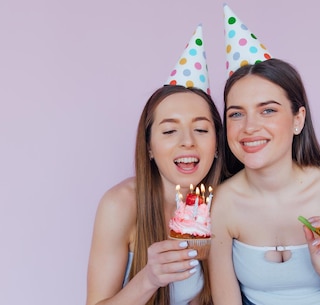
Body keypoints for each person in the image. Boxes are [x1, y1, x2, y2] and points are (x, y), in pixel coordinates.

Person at [208, 58, 320, 305]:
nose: (249, 127)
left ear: (298, 119)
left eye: (268, 110)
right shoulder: (221, 203)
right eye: (236, 114)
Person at [86, 25, 224, 305]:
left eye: (201, 129)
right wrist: (149, 278)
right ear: (149, 146)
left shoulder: (231, 201)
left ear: (218, 143)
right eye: (169, 131)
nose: (187, 142)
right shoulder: (121, 205)